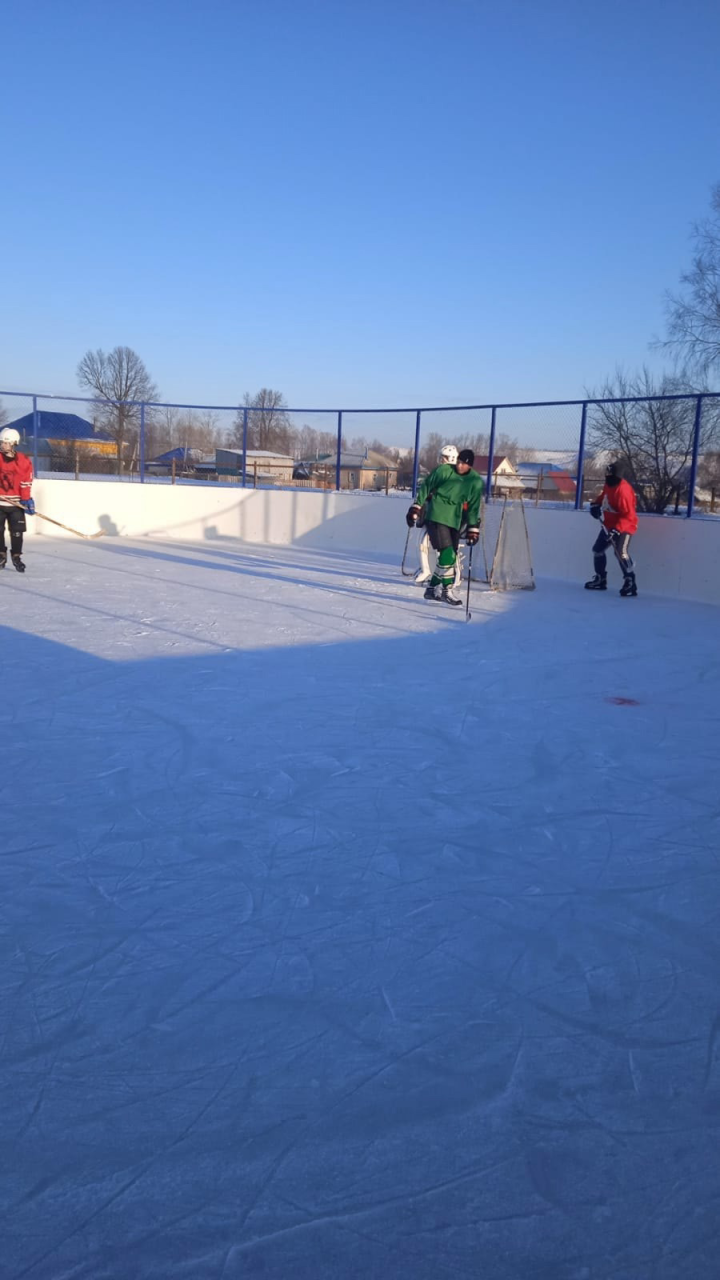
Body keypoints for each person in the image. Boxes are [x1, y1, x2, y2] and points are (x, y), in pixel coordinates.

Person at [406, 448, 484, 606]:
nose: (460, 465)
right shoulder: (444, 471)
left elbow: (474, 506)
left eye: (464, 464)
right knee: (447, 553)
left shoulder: (474, 481)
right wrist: (416, 507)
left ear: (470, 466)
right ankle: (444, 590)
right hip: (437, 514)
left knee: (451, 556)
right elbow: (427, 486)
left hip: (454, 519)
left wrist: (473, 528)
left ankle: (434, 588)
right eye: (459, 462)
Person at [585, 459, 638, 596]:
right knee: (598, 550)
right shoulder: (609, 485)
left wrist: (617, 529)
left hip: (625, 525)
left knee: (620, 552)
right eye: (606, 474)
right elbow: (603, 497)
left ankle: (630, 581)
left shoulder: (623, 490)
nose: (608, 477)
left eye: (610, 475)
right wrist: (595, 505)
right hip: (609, 525)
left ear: (617, 475)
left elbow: (629, 515)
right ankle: (601, 579)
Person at [414, 444, 463, 587]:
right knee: (449, 553)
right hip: (454, 520)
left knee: (446, 553)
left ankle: (436, 583)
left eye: (443, 457)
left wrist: (417, 506)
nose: (441, 460)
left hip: (440, 518)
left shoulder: (442, 470)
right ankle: (446, 585)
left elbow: (426, 487)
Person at [0, 428, 34, 573]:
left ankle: (16, 556)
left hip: (16, 504)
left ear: (14, 443)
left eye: (6, 442)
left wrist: (26, 500)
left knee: (17, 532)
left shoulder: (23, 461)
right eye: (1, 442)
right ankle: (1, 555)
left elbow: (26, 481)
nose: (2, 445)